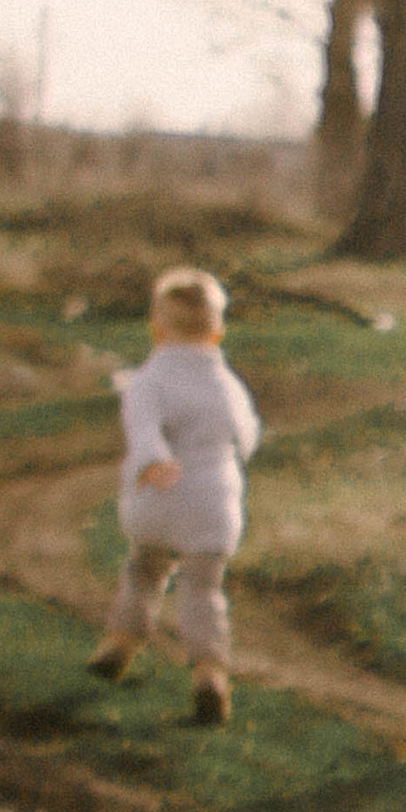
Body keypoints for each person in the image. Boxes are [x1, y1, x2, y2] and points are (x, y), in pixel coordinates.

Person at [87, 269, 262, 728]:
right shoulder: (228, 384)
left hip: (160, 497)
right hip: (212, 503)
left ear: (155, 329)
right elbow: (247, 436)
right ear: (218, 332)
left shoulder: (149, 380)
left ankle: (119, 646)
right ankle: (209, 676)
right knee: (203, 590)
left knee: (144, 572)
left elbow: (142, 426)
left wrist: (153, 460)